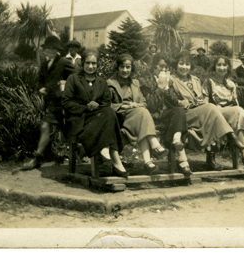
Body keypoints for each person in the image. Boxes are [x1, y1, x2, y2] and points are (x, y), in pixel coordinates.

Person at [170, 51, 244, 171]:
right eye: (181, 64)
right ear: (175, 65)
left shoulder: (195, 80)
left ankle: (211, 159)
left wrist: (199, 102)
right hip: (185, 115)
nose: (184, 67)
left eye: (187, 64)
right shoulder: (171, 81)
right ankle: (231, 135)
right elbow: (171, 101)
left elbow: (200, 97)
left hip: (199, 112)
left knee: (211, 113)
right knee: (211, 108)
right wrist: (185, 102)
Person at [62, 49, 129, 178]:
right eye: (88, 63)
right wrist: (85, 107)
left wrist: (97, 105)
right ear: (82, 63)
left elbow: (106, 102)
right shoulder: (74, 79)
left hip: (96, 118)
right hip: (79, 119)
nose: (91, 66)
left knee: (108, 111)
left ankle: (106, 152)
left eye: (94, 63)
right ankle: (116, 161)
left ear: (98, 65)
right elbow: (66, 102)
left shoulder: (101, 82)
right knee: (108, 117)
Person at [203, 56, 244, 171]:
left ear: (228, 68)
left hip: (230, 116)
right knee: (238, 111)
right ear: (214, 66)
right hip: (215, 115)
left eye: (224, 65)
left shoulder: (231, 84)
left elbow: (235, 103)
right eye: (219, 65)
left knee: (239, 122)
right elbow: (205, 105)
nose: (222, 68)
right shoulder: (209, 82)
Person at [107, 54, 169, 175]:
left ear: (131, 68)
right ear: (117, 68)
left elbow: (143, 102)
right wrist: (127, 106)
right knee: (142, 114)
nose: (125, 70)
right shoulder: (110, 83)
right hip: (119, 118)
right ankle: (154, 146)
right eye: (122, 67)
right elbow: (107, 105)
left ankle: (148, 162)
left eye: (128, 67)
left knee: (142, 114)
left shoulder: (135, 83)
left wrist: (137, 105)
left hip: (136, 117)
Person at [22, 36, 77, 170]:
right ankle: (37, 158)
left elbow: (77, 76)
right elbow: (40, 80)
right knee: (45, 127)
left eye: (51, 49)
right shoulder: (45, 65)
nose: (48, 51)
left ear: (57, 50)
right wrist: (40, 88)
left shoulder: (63, 62)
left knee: (69, 132)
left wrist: (64, 84)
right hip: (51, 104)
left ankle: (82, 153)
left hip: (64, 103)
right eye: (47, 49)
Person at [140, 53, 193, 176]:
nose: (163, 70)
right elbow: (151, 104)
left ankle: (176, 140)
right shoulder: (145, 81)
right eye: (161, 67)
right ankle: (183, 161)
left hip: (165, 116)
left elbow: (174, 102)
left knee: (179, 111)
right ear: (154, 67)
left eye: (166, 68)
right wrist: (159, 88)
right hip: (152, 117)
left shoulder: (168, 81)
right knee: (176, 120)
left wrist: (167, 88)